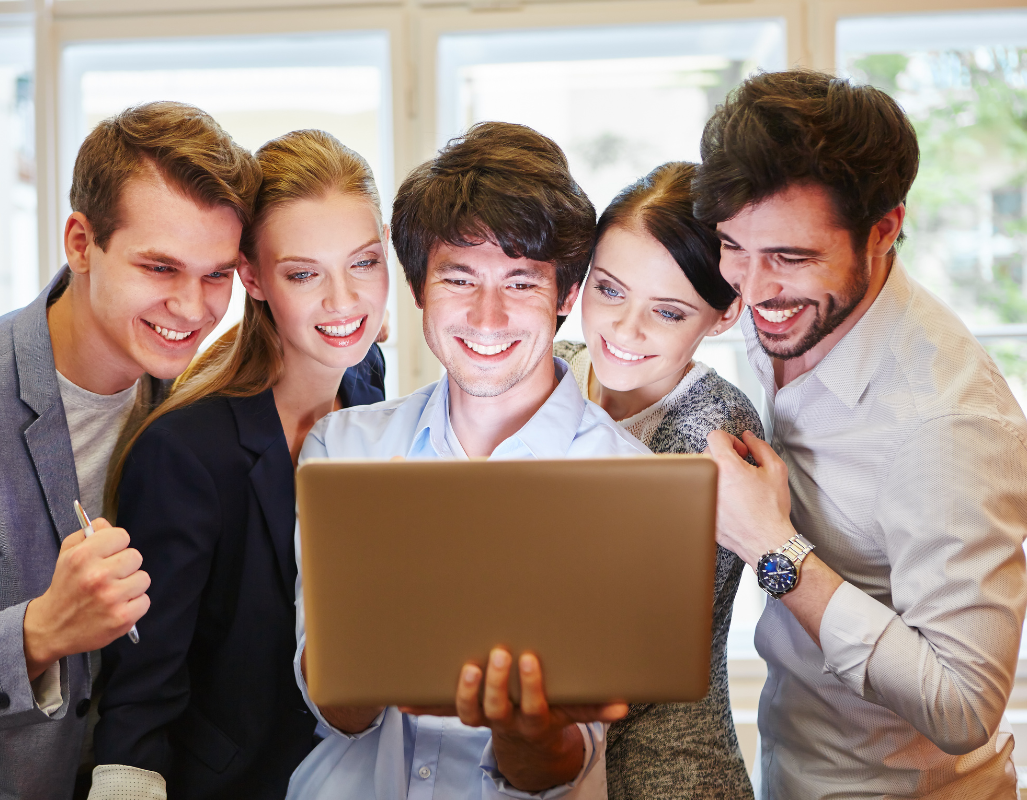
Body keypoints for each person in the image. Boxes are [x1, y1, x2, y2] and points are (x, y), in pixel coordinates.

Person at [0, 101, 260, 800]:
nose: (193, 308)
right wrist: (37, 632)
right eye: (160, 267)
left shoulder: (190, 400)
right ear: (81, 242)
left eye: (216, 276)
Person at [286, 121, 648, 800]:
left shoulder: (623, 484)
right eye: (458, 278)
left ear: (567, 297)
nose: (487, 316)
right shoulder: (344, 450)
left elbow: (558, 768)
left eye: (520, 283)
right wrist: (383, 623)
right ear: (419, 289)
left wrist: (526, 733)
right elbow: (334, 709)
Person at [697, 69, 1027, 798]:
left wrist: (772, 546)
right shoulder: (792, 312)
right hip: (788, 767)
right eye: (733, 248)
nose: (751, 291)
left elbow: (964, 706)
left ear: (884, 229)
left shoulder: (948, 423)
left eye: (790, 257)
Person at [88, 129, 389, 800]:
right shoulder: (188, 451)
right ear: (253, 278)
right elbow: (142, 695)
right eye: (304, 274)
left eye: (363, 264)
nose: (344, 302)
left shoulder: (368, 384)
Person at [554, 161, 759, 798]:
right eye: (609, 290)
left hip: (663, 763)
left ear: (723, 317)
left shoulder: (716, 430)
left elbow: (645, 644)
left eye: (667, 312)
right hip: (543, 749)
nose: (625, 329)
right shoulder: (551, 368)